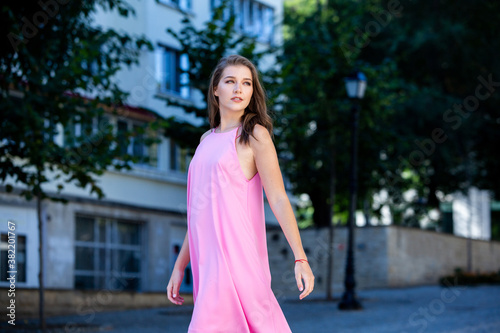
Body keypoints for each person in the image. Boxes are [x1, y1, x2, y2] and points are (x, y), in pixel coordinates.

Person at [166, 54, 314, 332]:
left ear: (252, 91)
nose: (238, 89)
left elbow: (279, 198)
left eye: (246, 83)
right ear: (215, 89)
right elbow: (199, 214)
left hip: (238, 262)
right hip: (207, 265)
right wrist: (179, 266)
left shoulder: (255, 135)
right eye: (230, 81)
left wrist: (300, 257)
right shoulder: (205, 141)